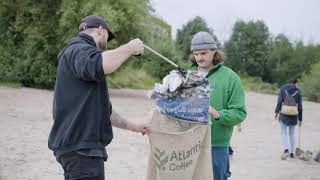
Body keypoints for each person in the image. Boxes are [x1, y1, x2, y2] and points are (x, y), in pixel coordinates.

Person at [48, 15, 148, 180]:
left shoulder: (76, 55)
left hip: (77, 149)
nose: (108, 42)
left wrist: (134, 127)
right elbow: (101, 63)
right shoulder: (79, 49)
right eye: (108, 36)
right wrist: (130, 48)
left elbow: (104, 111)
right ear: (101, 30)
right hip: (82, 150)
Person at [189, 32, 247, 180]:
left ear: (214, 51)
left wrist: (218, 114)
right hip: (188, 143)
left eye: (203, 53)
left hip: (217, 146)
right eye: (196, 54)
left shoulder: (230, 77)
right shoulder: (187, 75)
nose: (199, 58)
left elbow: (239, 113)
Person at [275, 78, 303, 160]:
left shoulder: (283, 88)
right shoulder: (298, 90)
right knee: (292, 134)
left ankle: (286, 150)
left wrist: (276, 112)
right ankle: (292, 153)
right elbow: (300, 107)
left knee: (283, 133)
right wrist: (300, 119)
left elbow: (279, 102)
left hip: (284, 113)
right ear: (295, 83)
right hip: (294, 115)